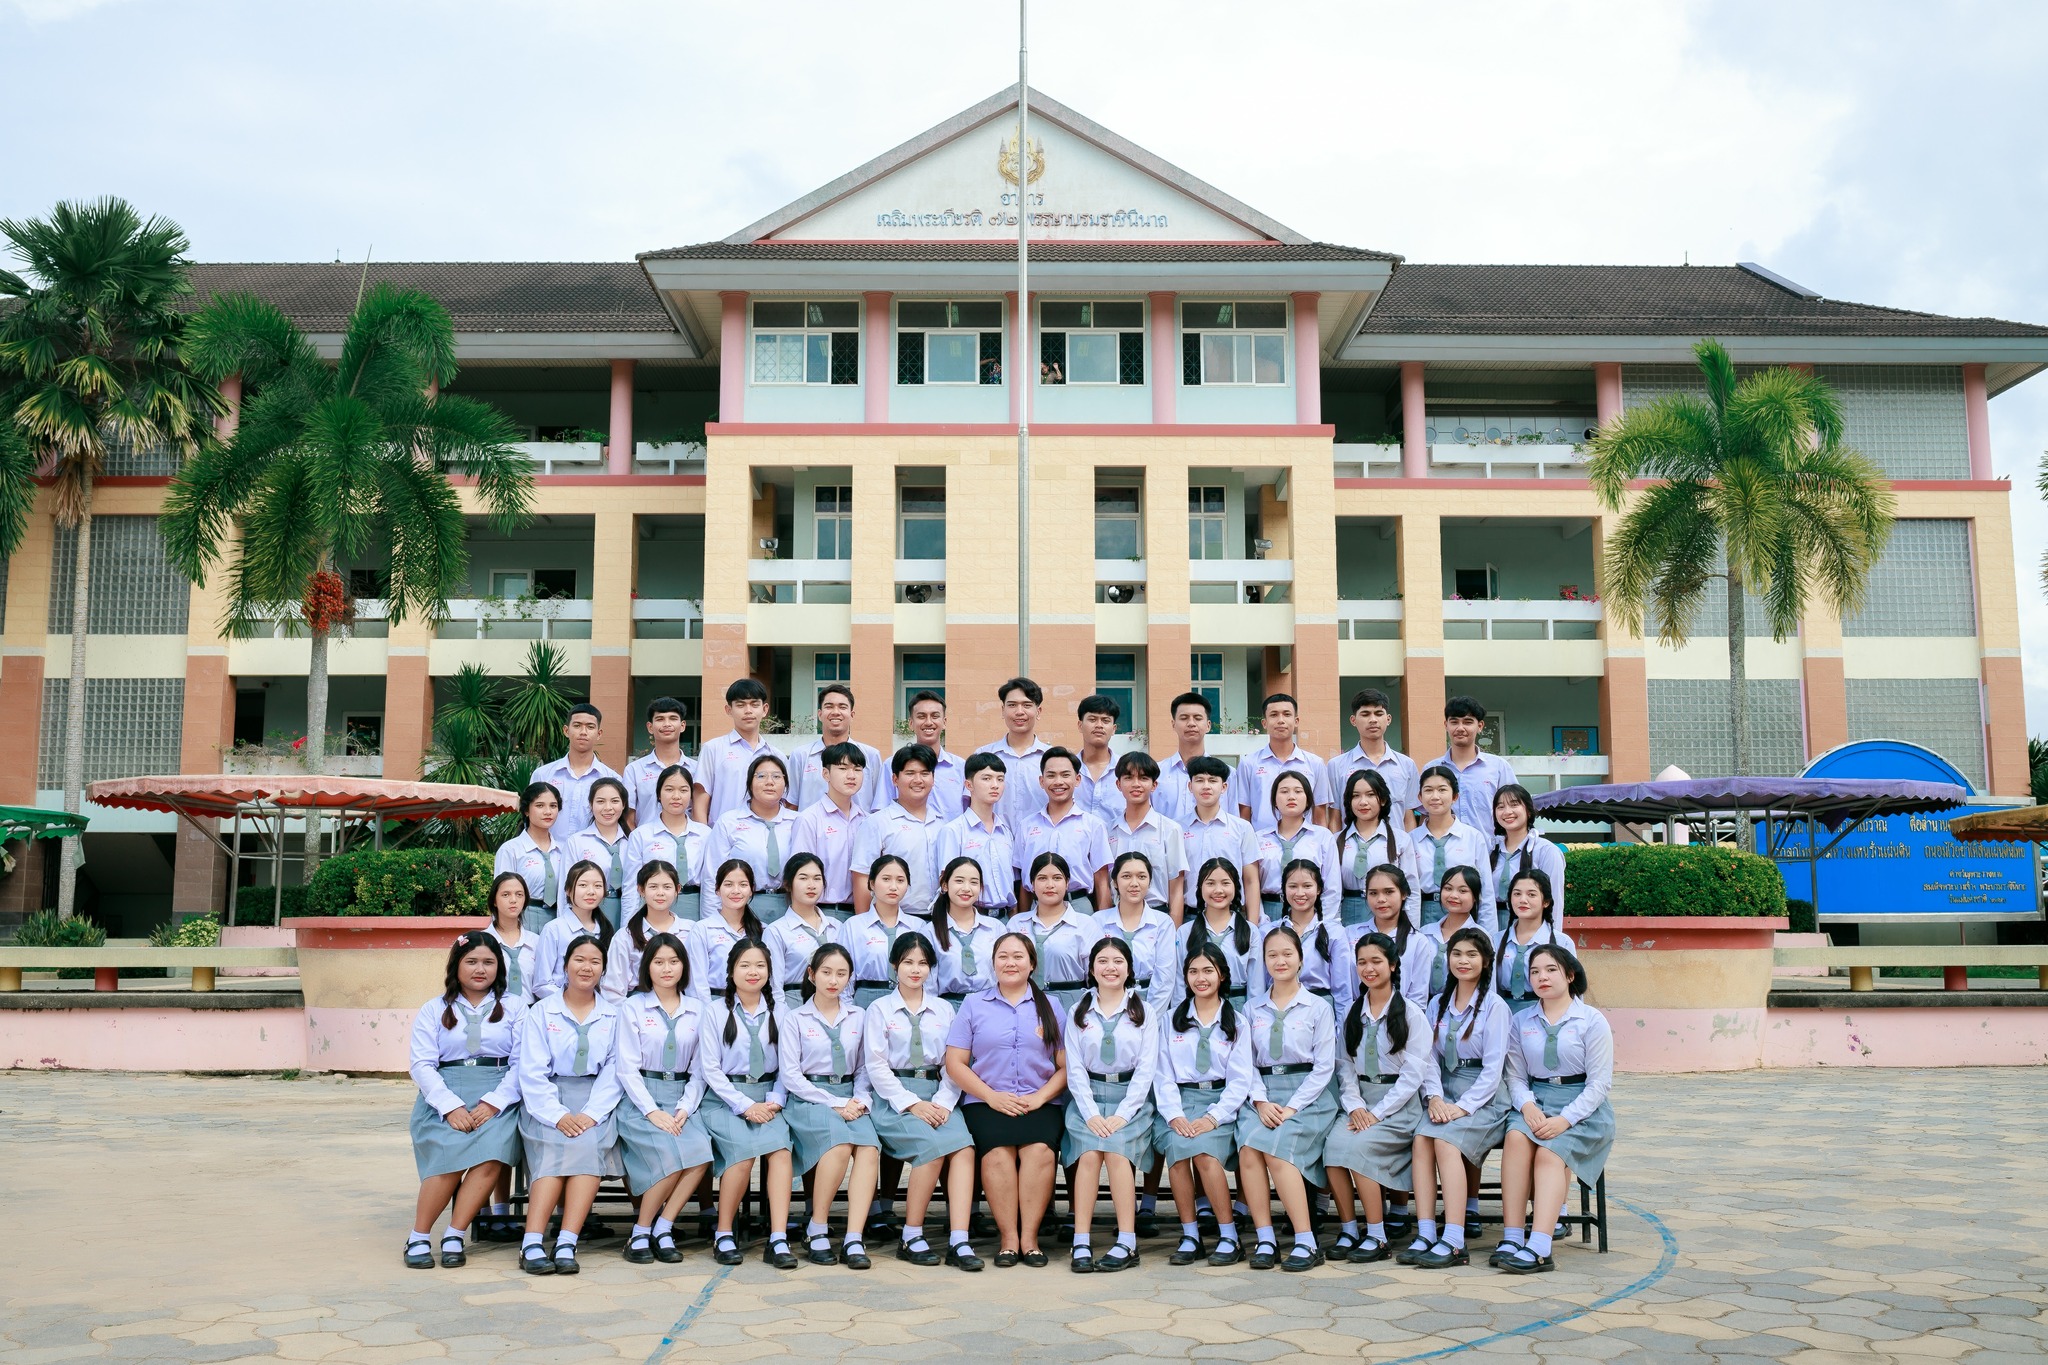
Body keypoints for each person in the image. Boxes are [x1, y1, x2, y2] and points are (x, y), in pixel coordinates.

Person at [944, 931, 1069, 1268]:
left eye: (1018, 956)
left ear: (1032, 964)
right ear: (993, 963)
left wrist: (1041, 1097)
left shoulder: (1051, 1006)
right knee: (998, 1153)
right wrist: (991, 1097)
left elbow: (1066, 1066)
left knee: (1039, 1151)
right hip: (986, 1102)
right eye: (1003, 956)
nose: (1010, 963)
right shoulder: (974, 1004)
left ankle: (1030, 1239)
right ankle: (1008, 1239)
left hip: (1039, 1101)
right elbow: (955, 1062)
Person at [404, 933, 524, 1270]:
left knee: (492, 1154)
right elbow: (422, 1065)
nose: (480, 969)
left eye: (488, 962)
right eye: (471, 961)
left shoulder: (514, 1007)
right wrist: (451, 1107)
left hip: (497, 1093)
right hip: (445, 1093)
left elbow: (523, 1063)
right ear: (456, 965)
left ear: (499, 967)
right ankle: (419, 1235)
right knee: (448, 1156)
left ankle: (455, 1234)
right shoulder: (434, 1009)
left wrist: (495, 1102)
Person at [863, 932, 980, 1270]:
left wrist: (943, 1102)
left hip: (939, 1095)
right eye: (908, 962)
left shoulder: (944, 1009)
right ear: (894, 965)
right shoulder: (879, 1009)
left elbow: (953, 1063)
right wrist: (912, 1104)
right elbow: (876, 1066)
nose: (915, 970)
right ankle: (911, 1235)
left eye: (923, 963)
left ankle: (959, 1239)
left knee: (964, 1150)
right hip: (895, 1098)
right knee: (932, 1148)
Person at [1496, 944, 1615, 1275]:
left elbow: (1599, 1084)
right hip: (1536, 1100)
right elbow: (1515, 1076)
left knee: (1549, 1153)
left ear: (1570, 975)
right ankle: (1512, 1237)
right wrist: (1527, 1106)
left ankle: (1539, 1247)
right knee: (1516, 1139)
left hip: (1582, 1108)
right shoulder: (1521, 1020)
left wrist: (1565, 1119)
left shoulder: (1591, 1020)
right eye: (1535, 972)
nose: (1542, 977)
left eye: (1550, 970)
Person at [1403, 926, 1511, 1269]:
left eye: (1472, 955)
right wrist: (1435, 1098)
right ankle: (1425, 1232)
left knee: (1445, 1141)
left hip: (1483, 1098)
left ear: (1486, 961)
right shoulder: (1437, 1004)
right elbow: (1428, 1059)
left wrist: (1461, 1108)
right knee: (1422, 1139)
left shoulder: (1494, 1006)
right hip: (1445, 1091)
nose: (1463, 961)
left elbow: (1493, 1070)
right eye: (1457, 954)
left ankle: (1453, 1239)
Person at [515, 933, 623, 1276]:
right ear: (565, 966)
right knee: (552, 1150)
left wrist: (591, 1114)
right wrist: (558, 1115)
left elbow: (615, 1070)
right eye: (579, 959)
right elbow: (531, 1071)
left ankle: (566, 1242)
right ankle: (532, 1242)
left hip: (595, 1101)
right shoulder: (541, 1012)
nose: (586, 967)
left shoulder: (613, 1015)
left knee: (587, 1146)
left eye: (595, 961)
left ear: (603, 969)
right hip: (547, 1099)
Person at [1323, 931, 1431, 1264]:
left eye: (1376, 962)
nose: (1368, 969)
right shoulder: (1352, 1013)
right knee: (1332, 1149)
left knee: (1360, 1148)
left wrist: (1377, 1113)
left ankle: (1377, 1235)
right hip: (1361, 1102)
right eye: (1362, 962)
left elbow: (1413, 1075)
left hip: (1397, 1107)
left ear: (1393, 965)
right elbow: (1344, 1066)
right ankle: (1348, 1229)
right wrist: (1356, 1106)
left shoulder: (1411, 1013)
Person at [1236, 925, 1339, 1272]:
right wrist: (1261, 1101)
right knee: (1249, 1148)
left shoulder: (1318, 1007)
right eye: (1272, 955)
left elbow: (1324, 1067)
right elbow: (1246, 1064)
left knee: (1277, 1148)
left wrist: (1293, 1106)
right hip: (1264, 1096)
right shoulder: (1252, 1009)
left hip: (1308, 1098)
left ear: (1300, 959)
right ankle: (1265, 1238)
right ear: (1264, 962)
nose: (1280, 961)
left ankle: (1306, 1241)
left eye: (1287, 954)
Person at [612, 932, 713, 1265]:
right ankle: (641, 1232)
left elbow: (701, 1070)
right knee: (671, 1155)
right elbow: (626, 1068)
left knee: (700, 1152)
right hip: (641, 1099)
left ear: (684, 966)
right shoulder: (632, 1007)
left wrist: (685, 1107)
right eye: (658, 962)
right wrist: (652, 1111)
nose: (667, 969)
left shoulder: (699, 1010)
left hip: (682, 1098)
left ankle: (664, 1226)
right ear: (647, 967)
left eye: (674, 961)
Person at [1152, 943, 1255, 1267]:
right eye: (1193, 971)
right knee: (1177, 1150)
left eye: (1208, 970)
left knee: (1204, 1154)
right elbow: (1162, 1073)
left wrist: (1214, 1117)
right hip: (1180, 1103)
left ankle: (1229, 1235)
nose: (1201, 978)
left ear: (1222, 975)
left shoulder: (1237, 1021)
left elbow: (1240, 1080)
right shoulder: (1171, 1020)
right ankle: (1190, 1235)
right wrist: (1174, 1115)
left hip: (1221, 1103)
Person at [697, 939, 798, 1269]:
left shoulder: (781, 1011)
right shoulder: (715, 1012)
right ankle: (724, 1233)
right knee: (742, 1154)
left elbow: (788, 1065)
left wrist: (776, 1099)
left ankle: (778, 1238)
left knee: (781, 1152)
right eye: (744, 965)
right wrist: (744, 1105)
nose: (753, 972)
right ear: (730, 971)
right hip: (725, 1100)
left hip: (768, 1099)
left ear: (769, 971)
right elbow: (710, 1069)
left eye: (760, 966)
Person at [780, 942, 882, 1270]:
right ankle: (818, 1226)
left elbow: (865, 1067)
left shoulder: (859, 1016)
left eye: (841, 973)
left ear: (850, 978)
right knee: (838, 1145)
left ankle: (854, 1236)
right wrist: (836, 1103)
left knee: (869, 1149)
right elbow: (791, 1075)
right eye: (826, 972)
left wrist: (861, 1099)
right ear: (811, 974)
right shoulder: (795, 1018)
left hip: (851, 1098)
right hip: (810, 1099)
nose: (833, 980)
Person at [1061, 936, 1159, 1274]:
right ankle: (1081, 1240)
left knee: (1117, 1153)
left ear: (1129, 968)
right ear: (1091, 969)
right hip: (1087, 1099)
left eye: (1118, 961)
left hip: (1130, 1100)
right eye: (1102, 961)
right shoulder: (1078, 1011)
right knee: (1089, 1155)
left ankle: (1127, 1242)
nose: (1110, 968)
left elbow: (1146, 1070)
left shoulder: (1144, 1011)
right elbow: (1074, 1068)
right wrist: (1090, 1113)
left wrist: (1122, 1114)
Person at [699, 753, 798, 923]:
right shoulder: (729, 822)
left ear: (786, 784)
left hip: (790, 907)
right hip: (742, 907)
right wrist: (712, 924)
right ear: (749, 783)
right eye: (761, 776)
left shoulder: (798, 822)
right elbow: (712, 876)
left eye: (776, 776)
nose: (769, 782)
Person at [852, 745, 947, 918]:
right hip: (892, 920)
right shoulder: (877, 823)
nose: (918, 780)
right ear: (895, 779)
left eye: (925, 773)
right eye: (910, 773)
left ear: (933, 778)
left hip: (939, 920)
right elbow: (862, 877)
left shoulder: (943, 824)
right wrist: (864, 925)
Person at [1012, 747, 1110, 910]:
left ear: (1077, 779)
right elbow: (1024, 882)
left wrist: (1103, 920)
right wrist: (1022, 918)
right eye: (1051, 775)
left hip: (1078, 905)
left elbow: (1101, 879)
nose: (1058, 782)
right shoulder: (1026, 826)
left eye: (1065, 775)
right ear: (1042, 781)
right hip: (1037, 907)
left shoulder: (1093, 825)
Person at [1007, 852, 1100, 1012]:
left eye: (1057, 878)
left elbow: (1096, 976)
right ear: (1032, 884)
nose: (1050, 885)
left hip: (1072, 1004)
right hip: (1023, 1002)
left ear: (1067, 883)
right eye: (1042, 878)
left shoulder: (1085, 924)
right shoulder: (1016, 924)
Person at [790, 741, 872, 919]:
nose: (851, 775)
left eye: (857, 769)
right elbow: (799, 875)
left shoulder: (868, 821)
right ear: (825, 774)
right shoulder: (809, 819)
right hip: (822, 913)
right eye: (843, 768)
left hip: (864, 914)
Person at [1103, 751, 1188, 922]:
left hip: (1158, 916)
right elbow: (1103, 883)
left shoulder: (1170, 830)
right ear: (1118, 784)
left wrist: (1173, 930)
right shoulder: (1107, 831)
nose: (1136, 784)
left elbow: (1176, 888)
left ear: (1154, 785)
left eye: (1143, 778)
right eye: (1128, 778)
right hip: (1116, 917)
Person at [1229, 693, 1332, 830]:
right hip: (1260, 840)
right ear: (1264, 723)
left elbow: (1320, 817)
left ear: (1296, 721)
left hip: (1304, 841)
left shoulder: (1315, 764)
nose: (1280, 720)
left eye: (1287, 714)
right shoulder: (1249, 764)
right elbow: (1244, 815)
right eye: (1274, 715)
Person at [1252, 771, 1341, 931]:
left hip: (1309, 914)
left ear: (1308, 800)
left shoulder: (1322, 837)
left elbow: (1332, 888)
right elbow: (1252, 885)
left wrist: (1319, 925)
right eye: (1284, 791)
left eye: (1298, 791)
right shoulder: (1259, 839)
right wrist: (1262, 923)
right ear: (1274, 800)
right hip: (1269, 913)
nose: (1291, 797)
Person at [1260, 860, 1350, 1014]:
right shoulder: (1268, 932)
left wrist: (1341, 1027)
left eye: (1307, 886)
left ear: (1318, 889)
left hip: (1320, 1013)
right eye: (1293, 886)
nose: (1300, 893)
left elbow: (1342, 991)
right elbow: (1262, 984)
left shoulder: (1334, 933)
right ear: (1284, 889)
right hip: (1278, 1009)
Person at [935, 752, 1020, 914]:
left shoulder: (1005, 832)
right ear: (969, 785)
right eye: (986, 778)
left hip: (1005, 918)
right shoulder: (953, 831)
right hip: (969, 917)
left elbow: (1012, 884)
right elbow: (946, 883)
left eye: (1000, 779)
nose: (995, 785)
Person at [1094, 851, 1178, 1013]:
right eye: (1126, 876)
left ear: (1149, 881)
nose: (1134, 883)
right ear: (1115, 882)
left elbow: (1165, 979)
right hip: (1107, 1006)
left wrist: (1150, 1018)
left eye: (1141, 876)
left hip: (1151, 1004)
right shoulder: (1098, 921)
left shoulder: (1163, 923)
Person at [620, 764, 706, 922]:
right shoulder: (641, 835)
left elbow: (711, 883)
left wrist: (710, 925)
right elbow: (631, 886)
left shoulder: (705, 834)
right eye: (669, 789)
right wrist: (629, 928)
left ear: (691, 795)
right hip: (652, 910)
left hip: (694, 908)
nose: (676, 796)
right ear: (659, 794)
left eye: (683, 790)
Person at [1337, 769, 1421, 930]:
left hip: (1388, 916)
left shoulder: (1400, 839)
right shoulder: (1335, 840)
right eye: (1356, 796)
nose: (1363, 802)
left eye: (1370, 795)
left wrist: (1410, 931)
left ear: (1382, 799)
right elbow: (1332, 891)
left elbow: (1412, 890)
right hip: (1348, 917)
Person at [1413, 765, 1496, 927]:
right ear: (1420, 797)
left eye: (1442, 790)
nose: (1435, 796)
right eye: (1428, 790)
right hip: (1423, 914)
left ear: (1455, 796)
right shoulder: (1410, 840)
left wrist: (1487, 933)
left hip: (1464, 914)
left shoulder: (1473, 837)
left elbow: (1486, 892)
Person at [1327, 688, 1419, 833]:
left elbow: (1409, 816)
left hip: (1396, 844)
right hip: (1352, 845)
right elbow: (1335, 817)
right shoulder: (1336, 765)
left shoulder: (1407, 765)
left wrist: (1408, 845)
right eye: (1365, 714)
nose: (1373, 720)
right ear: (1353, 720)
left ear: (1388, 719)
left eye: (1378, 713)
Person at [531, 703, 624, 839]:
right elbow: (531, 818)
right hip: (550, 850)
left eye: (590, 727)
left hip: (593, 851)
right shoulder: (543, 775)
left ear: (599, 734)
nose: (583, 732)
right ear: (566, 730)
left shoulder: (612, 779)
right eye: (577, 725)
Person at [790, 684, 886, 813]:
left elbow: (879, 806)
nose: (835, 712)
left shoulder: (870, 755)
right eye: (829, 706)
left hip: (859, 825)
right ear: (820, 714)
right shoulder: (800, 755)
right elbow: (791, 804)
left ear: (852, 715)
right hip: (812, 826)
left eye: (842, 707)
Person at [1177, 755, 1261, 903]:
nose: (1206, 786)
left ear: (1224, 787)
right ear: (1190, 786)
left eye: (1212, 780)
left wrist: (1252, 918)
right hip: (1190, 912)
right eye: (1199, 780)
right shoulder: (1177, 829)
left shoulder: (1242, 828)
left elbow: (1251, 880)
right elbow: (1175, 880)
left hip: (1231, 911)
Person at [1402, 865, 1490, 1006]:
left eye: (1463, 891)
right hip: (1422, 1006)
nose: (1453, 895)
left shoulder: (1480, 936)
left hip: (1463, 1007)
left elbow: (1488, 983)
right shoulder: (1424, 933)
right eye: (1448, 888)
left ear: (1475, 897)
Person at [1427, 696, 1517, 833]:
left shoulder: (1499, 768)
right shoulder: (1432, 769)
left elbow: (1514, 810)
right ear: (1446, 725)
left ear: (1480, 726)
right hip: (1443, 845)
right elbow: (1424, 814)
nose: (1460, 728)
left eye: (1467, 722)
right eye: (1454, 722)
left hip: (1489, 845)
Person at [694, 678, 778, 826]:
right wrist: (704, 836)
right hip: (722, 834)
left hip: (765, 834)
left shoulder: (776, 756)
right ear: (729, 710)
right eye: (740, 705)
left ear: (765, 709)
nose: (748, 711)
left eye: (754, 704)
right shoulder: (713, 749)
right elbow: (700, 801)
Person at [973, 676, 1052, 830]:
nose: (1019, 712)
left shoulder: (1052, 758)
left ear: (1038, 711)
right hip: (994, 839)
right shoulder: (983, 755)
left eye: (1027, 705)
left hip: (1040, 840)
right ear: (1003, 710)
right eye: (1012, 705)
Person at [765, 852, 840, 1009]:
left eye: (817, 878)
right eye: (803, 878)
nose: (811, 885)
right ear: (788, 884)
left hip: (834, 1004)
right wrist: (782, 1017)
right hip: (795, 1004)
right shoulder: (777, 931)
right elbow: (774, 986)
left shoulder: (837, 927)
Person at [844, 855, 921, 1007]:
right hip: (866, 999)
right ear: (872, 883)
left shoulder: (918, 926)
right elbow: (845, 974)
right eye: (886, 879)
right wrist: (849, 1011)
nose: (893, 887)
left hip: (908, 998)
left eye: (900, 880)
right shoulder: (854, 926)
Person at [1178, 858, 1258, 1006]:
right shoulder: (1185, 932)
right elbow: (1179, 982)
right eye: (1210, 883)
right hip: (1197, 1007)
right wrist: (1182, 1014)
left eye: (1225, 883)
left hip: (1238, 1007)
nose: (1218, 890)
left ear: (1236, 886)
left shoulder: (1250, 931)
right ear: (1200, 887)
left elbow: (1256, 985)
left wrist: (1252, 1015)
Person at [604, 860, 687, 1002]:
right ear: (641, 890)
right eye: (653, 887)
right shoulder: (625, 937)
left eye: (667, 887)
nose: (660, 893)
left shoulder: (691, 931)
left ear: (677, 889)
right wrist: (633, 1013)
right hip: (637, 1008)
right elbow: (613, 992)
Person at [686, 860, 768, 1002]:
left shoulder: (764, 930)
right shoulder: (702, 930)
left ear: (751, 890)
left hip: (754, 1005)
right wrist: (709, 1012)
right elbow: (696, 984)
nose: (736, 891)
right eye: (728, 884)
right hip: (715, 1003)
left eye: (743, 885)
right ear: (717, 889)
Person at [1491, 784, 1566, 938]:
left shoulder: (1546, 851)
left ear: (1529, 810)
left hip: (1531, 931)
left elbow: (1555, 902)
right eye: (1500, 807)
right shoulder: (1490, 849)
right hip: (1492, 929)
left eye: (1514, 804)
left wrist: (1552, 940)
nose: (1507, 812)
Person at [1496, 869, 1575, 1015]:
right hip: (1502, 1013)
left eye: (1531, 894)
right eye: (1517, 894)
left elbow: (1574, 991)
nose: (1522, 900)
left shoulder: (1562, 943)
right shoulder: (1495, 940)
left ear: (1546, 902)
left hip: (1546, 1014)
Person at [879, 689, 967, 816]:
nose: (929, 722)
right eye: (921, 716)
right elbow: (882, 811)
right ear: (911, 723)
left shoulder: (960, 767)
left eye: (935, 716)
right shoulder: (891, 765)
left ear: (944, 722)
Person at [534, 862, 615, 999]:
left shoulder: (606, 930)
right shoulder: (554, 929)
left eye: (598, 886)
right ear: (568, 890)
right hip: (561, 1005)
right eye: (583, 885)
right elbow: (541, 984)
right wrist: (572, 1001)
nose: (591, 891)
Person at [494, 782, 566, 934]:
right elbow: (501, 894)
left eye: (553, 806)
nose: (548, 811)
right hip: (523, 920)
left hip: (560, 919)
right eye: (540, 805)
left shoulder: (565, 850)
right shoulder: (511, 850)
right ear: (526, 810)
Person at [931, 857, 1004, 1004]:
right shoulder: (929, 932)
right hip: (948, 1006)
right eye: (959, 881)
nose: (966, 888)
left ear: (980, 887)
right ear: (945, 885)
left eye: (974, 882)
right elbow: (928, 985)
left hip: (992, 1005)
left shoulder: (996, 928)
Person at [561, 777, 632, 921]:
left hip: (628, 910)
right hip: (589, 913)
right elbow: (566, 889)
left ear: (624, 804)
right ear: (590, 804)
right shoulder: (577, 842)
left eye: (614, 801)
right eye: (600, 801)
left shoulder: (633, 842)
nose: (608, 808)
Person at [622, 695, 695, 831]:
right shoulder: (634, 770)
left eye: (673, 718)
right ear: (650, 727)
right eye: (660, 719)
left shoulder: (696, 769)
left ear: (682, 726)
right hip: (646, 842)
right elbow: (629, 818)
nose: (667, 724)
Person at [1153, 690, 1216, 829]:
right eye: (1184, 718)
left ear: (1208, 725)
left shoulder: (1227, 774)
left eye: (1198, 718)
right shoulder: (1156, 773)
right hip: (1165, 842)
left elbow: (1232, 820)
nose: (1191, 723)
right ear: (1173, 724)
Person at [483, 873, 539, 1001]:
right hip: (493, 1009)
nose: (513, 900)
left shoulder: (537, 942)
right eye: (505, 895)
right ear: (494, 901)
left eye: (519, 894)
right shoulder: (482, 942)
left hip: (531, 1009)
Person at [1071, 694, 1124, 825]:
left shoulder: (1126, 771)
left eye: (1105, 720)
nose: (1099, 725)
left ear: (1114, 729)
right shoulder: (1067, 770)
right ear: (1080, 725)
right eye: (1092, 719)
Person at [1353, 864, 1417, 964]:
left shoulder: (1417, 941)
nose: (1381, 899)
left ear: (1403, 894)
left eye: (1389, 892)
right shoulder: (1350, 934)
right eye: (1373, 893)